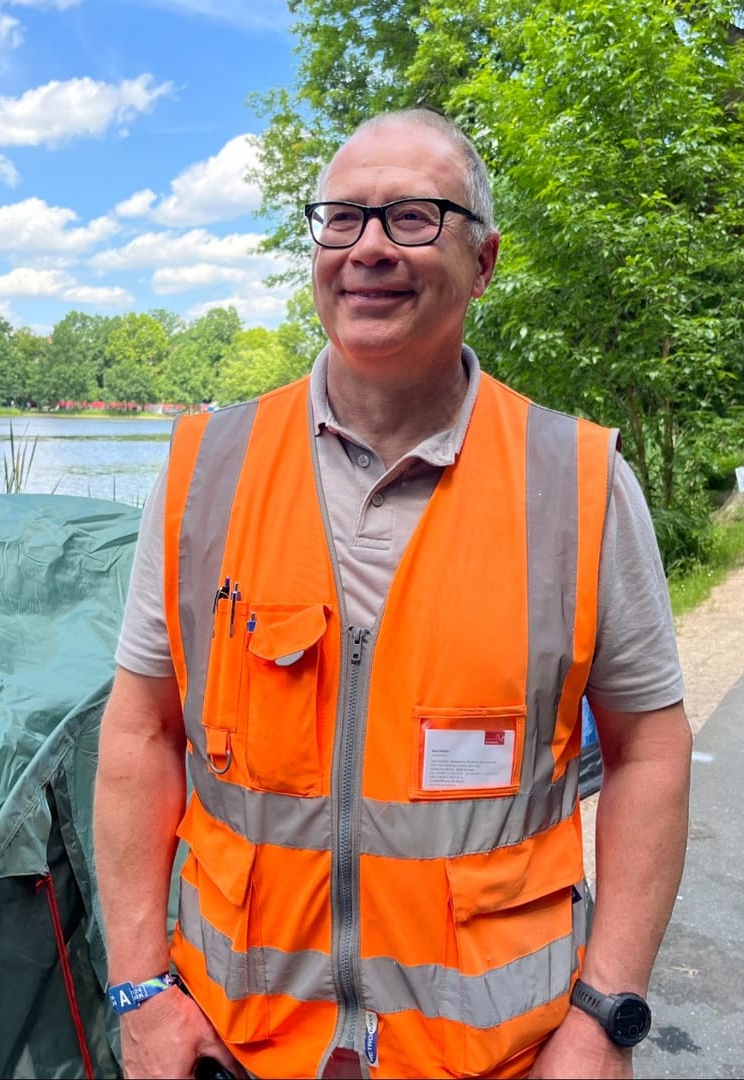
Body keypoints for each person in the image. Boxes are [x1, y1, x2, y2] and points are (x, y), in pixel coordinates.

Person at [93, 108, 693, 1080]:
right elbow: (139, 735)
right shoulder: (207, 470)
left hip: (503, 1057)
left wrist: (603, 1017)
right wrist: (137, 993)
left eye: (413, 218)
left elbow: (649, 751)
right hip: (230, 1051)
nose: (368, 248)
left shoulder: (577, 485)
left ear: (485, 261)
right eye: (342, 219)